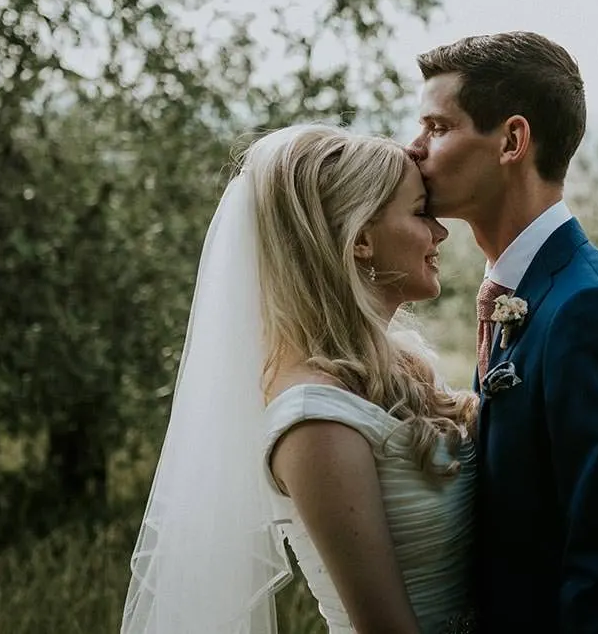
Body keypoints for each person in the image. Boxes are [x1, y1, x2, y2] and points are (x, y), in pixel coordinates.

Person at [121, 124, 479, 634]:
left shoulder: (402, 368)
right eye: (421, 212)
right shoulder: (314, 419)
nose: (440, 232)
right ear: (360, 241)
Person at [408, 31, 598, 633]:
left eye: (438, 128)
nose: (414, 149)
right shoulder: (524, 292)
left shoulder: (591, 309)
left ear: (512, 140)